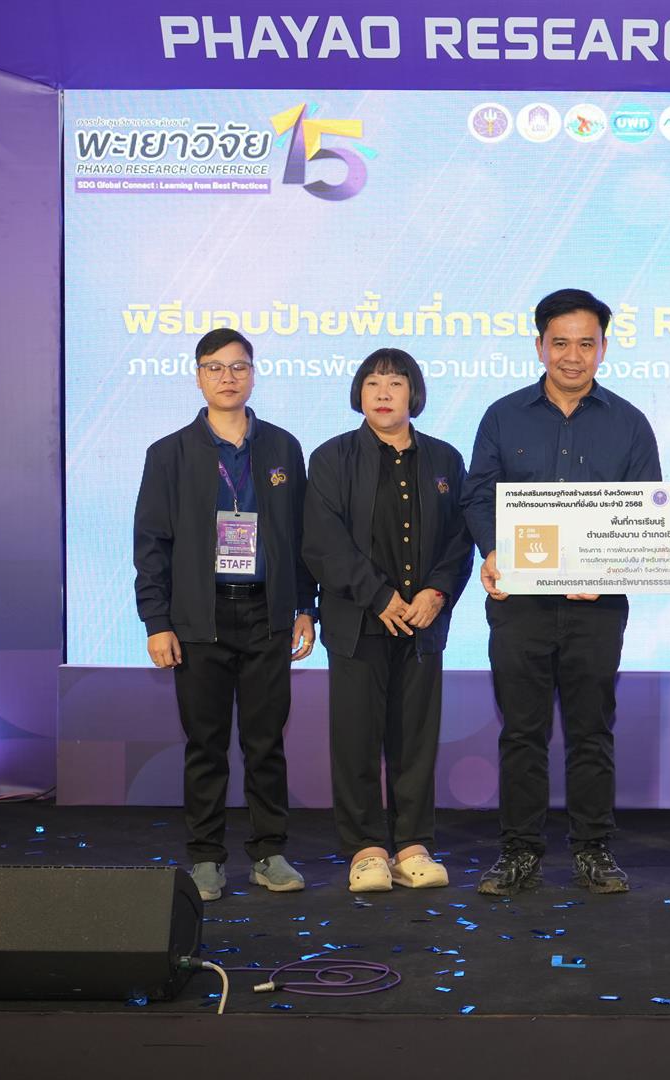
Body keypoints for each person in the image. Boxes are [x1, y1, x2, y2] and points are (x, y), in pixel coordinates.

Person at [463, 288, 662, 895]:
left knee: (590, 731)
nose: (572, 356)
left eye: (586, 343)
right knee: (521, 732)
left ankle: (593, 850)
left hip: (596, 608)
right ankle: (519, 852)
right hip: (519, 605)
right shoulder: (503, 416)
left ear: (603, 347)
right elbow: (478, 495)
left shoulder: (629, 423)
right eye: (560, 343)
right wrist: (493, 550)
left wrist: (608, 571)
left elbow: (647, 512)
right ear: (539, 346)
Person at [133, 328, 318, 902]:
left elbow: (302, 537)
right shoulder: (169, 453)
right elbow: (151, 544)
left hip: (267, 614)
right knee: (206, 745)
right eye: (215, 367)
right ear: (198, 377)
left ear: (253, 374)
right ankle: (206, 858)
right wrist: (156, 622)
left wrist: (305, 607)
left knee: (266, 743)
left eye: (239, 366)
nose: (227, 377)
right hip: (198, 618)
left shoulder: (282, 447)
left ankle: (269, 853)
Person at [302, 348, 473, 892]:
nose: (383, 393)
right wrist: (379, 596)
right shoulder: (331, 458)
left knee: (415, 739)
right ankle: (366, 850)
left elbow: (460, 538)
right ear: (359, 393)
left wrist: (437, 592)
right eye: (373, 382)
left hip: (423, 622)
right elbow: (323, 541)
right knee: (356, 738)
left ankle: (412, 845)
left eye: (396, 383)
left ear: (413, 394)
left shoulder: (444, 459)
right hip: (358, 621)